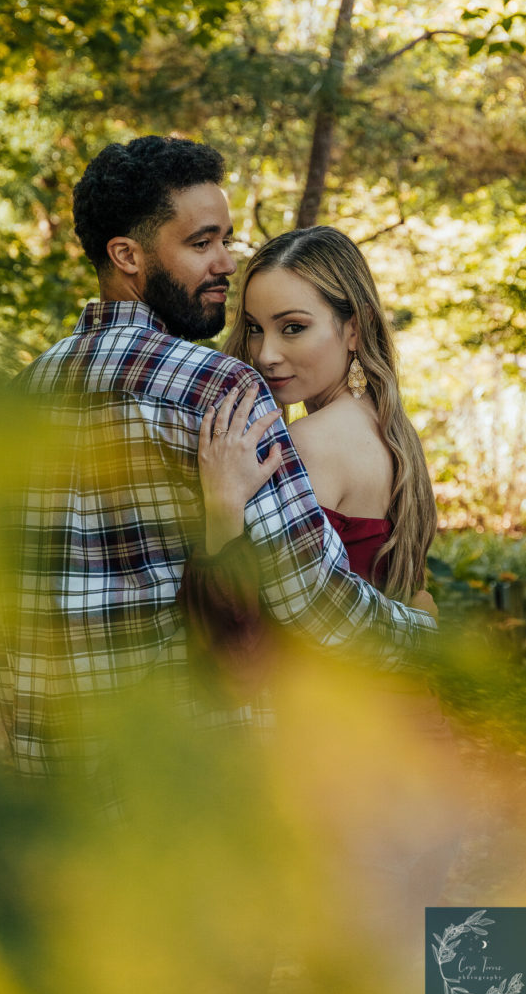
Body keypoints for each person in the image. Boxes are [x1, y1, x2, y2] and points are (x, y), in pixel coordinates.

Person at [0, 136, 437, 793]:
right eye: (202, 243)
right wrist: (422, 634)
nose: (227, 261)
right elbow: (311, 599)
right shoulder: (219, 390)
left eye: (225, 239)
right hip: (187, 781)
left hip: (56, 782)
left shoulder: (28, 391)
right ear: (128, 256)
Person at [178, 225, 439, 680]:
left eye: (293, 328)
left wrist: (221, 513)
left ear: (354, 329)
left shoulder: (306, 443)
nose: (266, 354)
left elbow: (250, 645)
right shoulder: (390, 431)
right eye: (256, 329)